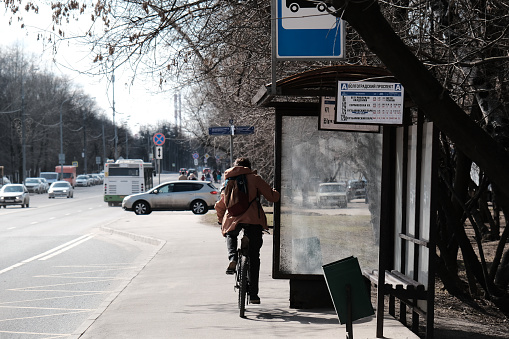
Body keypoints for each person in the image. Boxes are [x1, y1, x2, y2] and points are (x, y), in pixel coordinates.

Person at [215, 157, 280, 304]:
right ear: (249, 167)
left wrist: (221, 220)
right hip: (253, 220)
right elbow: (272, 197)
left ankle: (232, 258)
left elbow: (221, 204)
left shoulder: (228, 180)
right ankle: (253, 295)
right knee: (254, 257)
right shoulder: (255, 178)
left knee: (230, 234)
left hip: (233, 218)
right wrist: (276, 191)